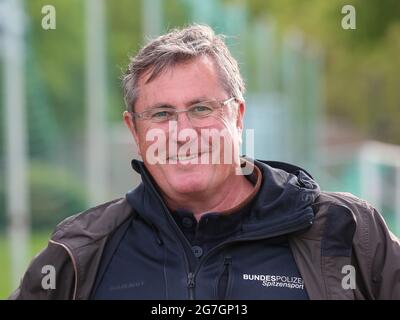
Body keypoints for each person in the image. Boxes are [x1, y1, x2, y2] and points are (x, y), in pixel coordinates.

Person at [10, 24, 400, 300]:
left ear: (239, 115)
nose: (182, 132)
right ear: (135, 130)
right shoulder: (81, 249)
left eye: (200, 108)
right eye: (161, 114)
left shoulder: (349, 233)